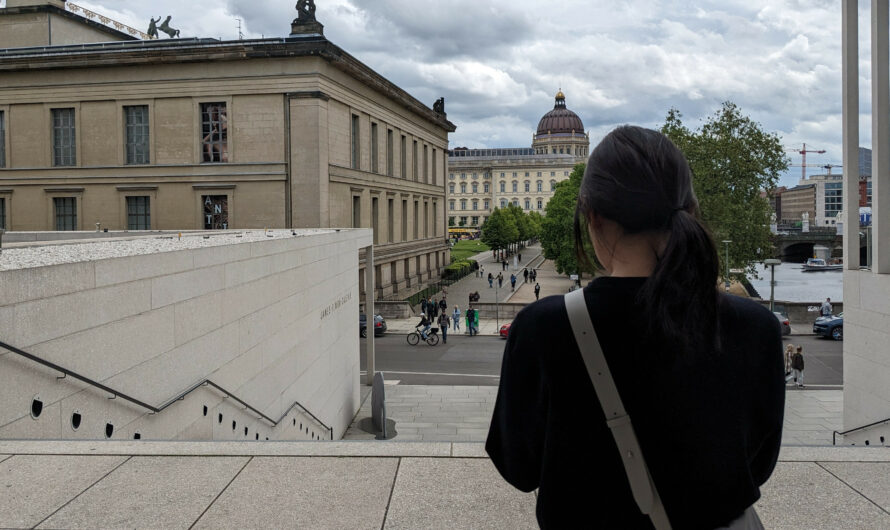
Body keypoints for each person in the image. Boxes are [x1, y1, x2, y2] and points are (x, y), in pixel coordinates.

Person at [486, 126, 784, 529]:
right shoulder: (757, 327)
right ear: (688, 211)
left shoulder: (542, 328)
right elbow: (756, 466)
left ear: (593, 216)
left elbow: (518, 467)